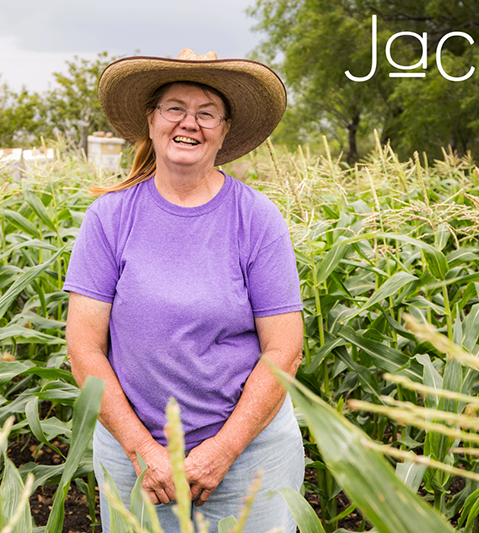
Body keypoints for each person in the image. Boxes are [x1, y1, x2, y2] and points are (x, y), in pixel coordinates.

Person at [63, 48, 305, 533]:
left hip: (246, 459)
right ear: (151, 121)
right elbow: (84, 348)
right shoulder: (110, 218)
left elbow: (285, 349)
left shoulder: (256, 218)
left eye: (206, 113)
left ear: (225, 130)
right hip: (136, 462)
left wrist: (223, 450)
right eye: (174, 108)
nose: (188, 123)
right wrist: (144, 452)